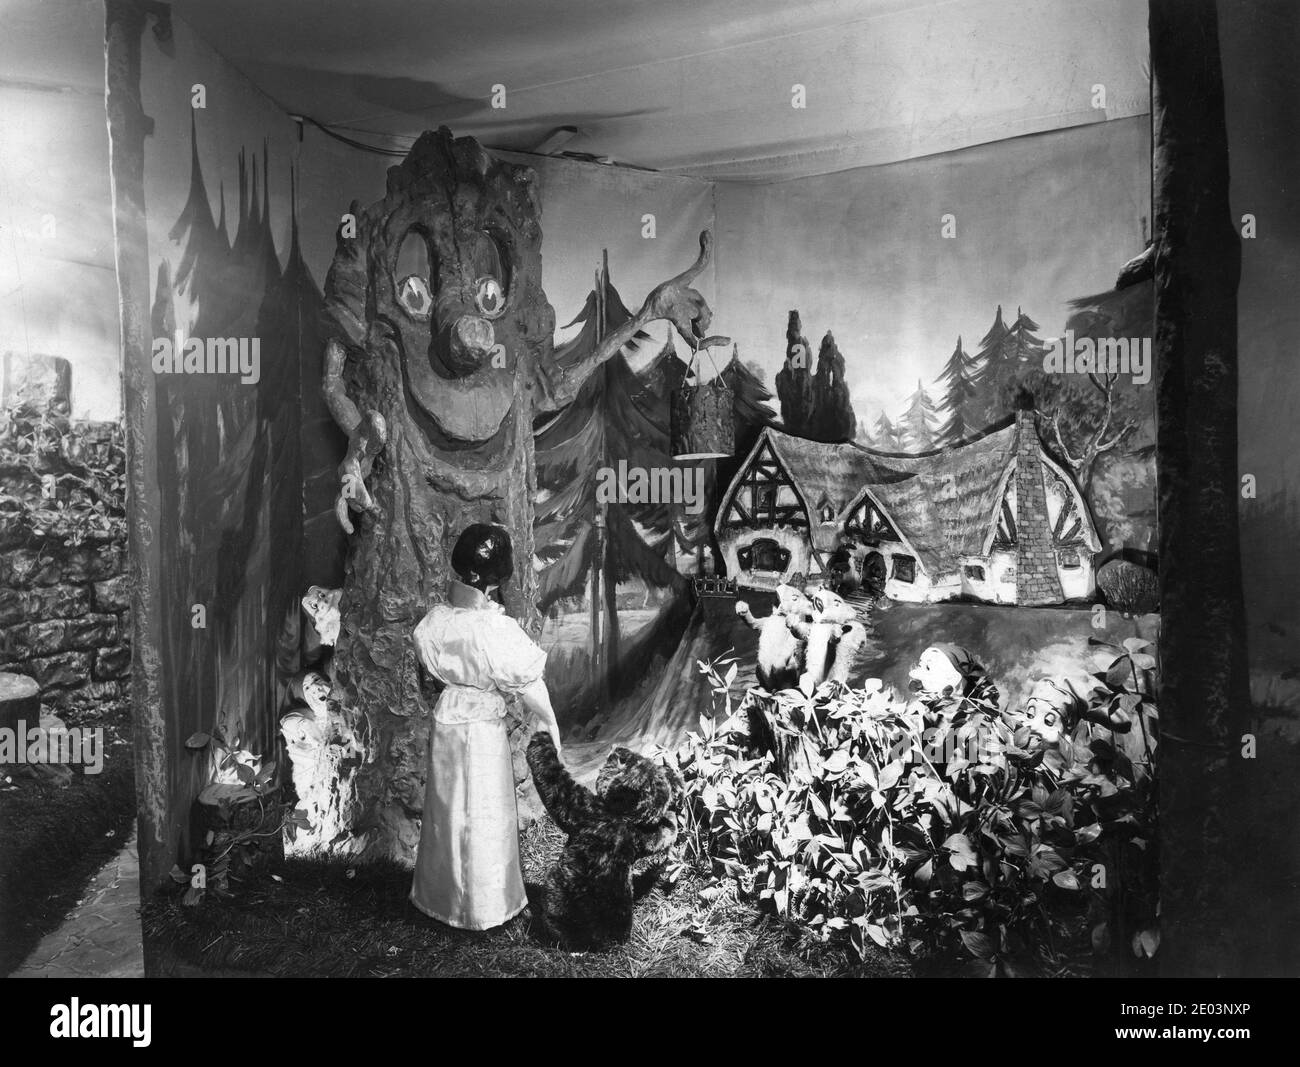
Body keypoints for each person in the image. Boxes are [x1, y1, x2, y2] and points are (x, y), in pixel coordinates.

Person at [409, 523, 562, 930]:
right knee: (485, 811)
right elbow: (531, 686)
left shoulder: (433, 624)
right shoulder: (496, 630)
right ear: (497, 582)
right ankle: (486, 904)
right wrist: (551, 725)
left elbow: (429, 673)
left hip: (449, 716)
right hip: (480, 726)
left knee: (448, 808)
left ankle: (439, 896)